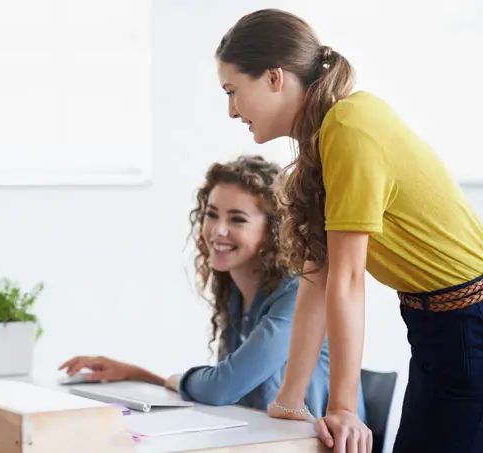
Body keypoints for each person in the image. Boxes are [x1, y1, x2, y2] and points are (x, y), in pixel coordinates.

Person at [214, 7, 483, 453]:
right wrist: (290, 400)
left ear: (274, 78)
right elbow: (316, 280)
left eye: (233, 91)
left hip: (468, 325)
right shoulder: (323, 139)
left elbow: (348, 279)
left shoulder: (349, 127)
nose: (231, 110)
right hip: (436, 325)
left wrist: (343, 407)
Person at [59, 155, 343, 419]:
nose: (218, 230)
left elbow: (223, 386)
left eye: (237, 219)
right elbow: (224, 387)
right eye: (211, 214)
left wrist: (162, 379)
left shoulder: (296, 294)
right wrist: (136, 374)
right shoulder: (234, 292)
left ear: (273, 230)